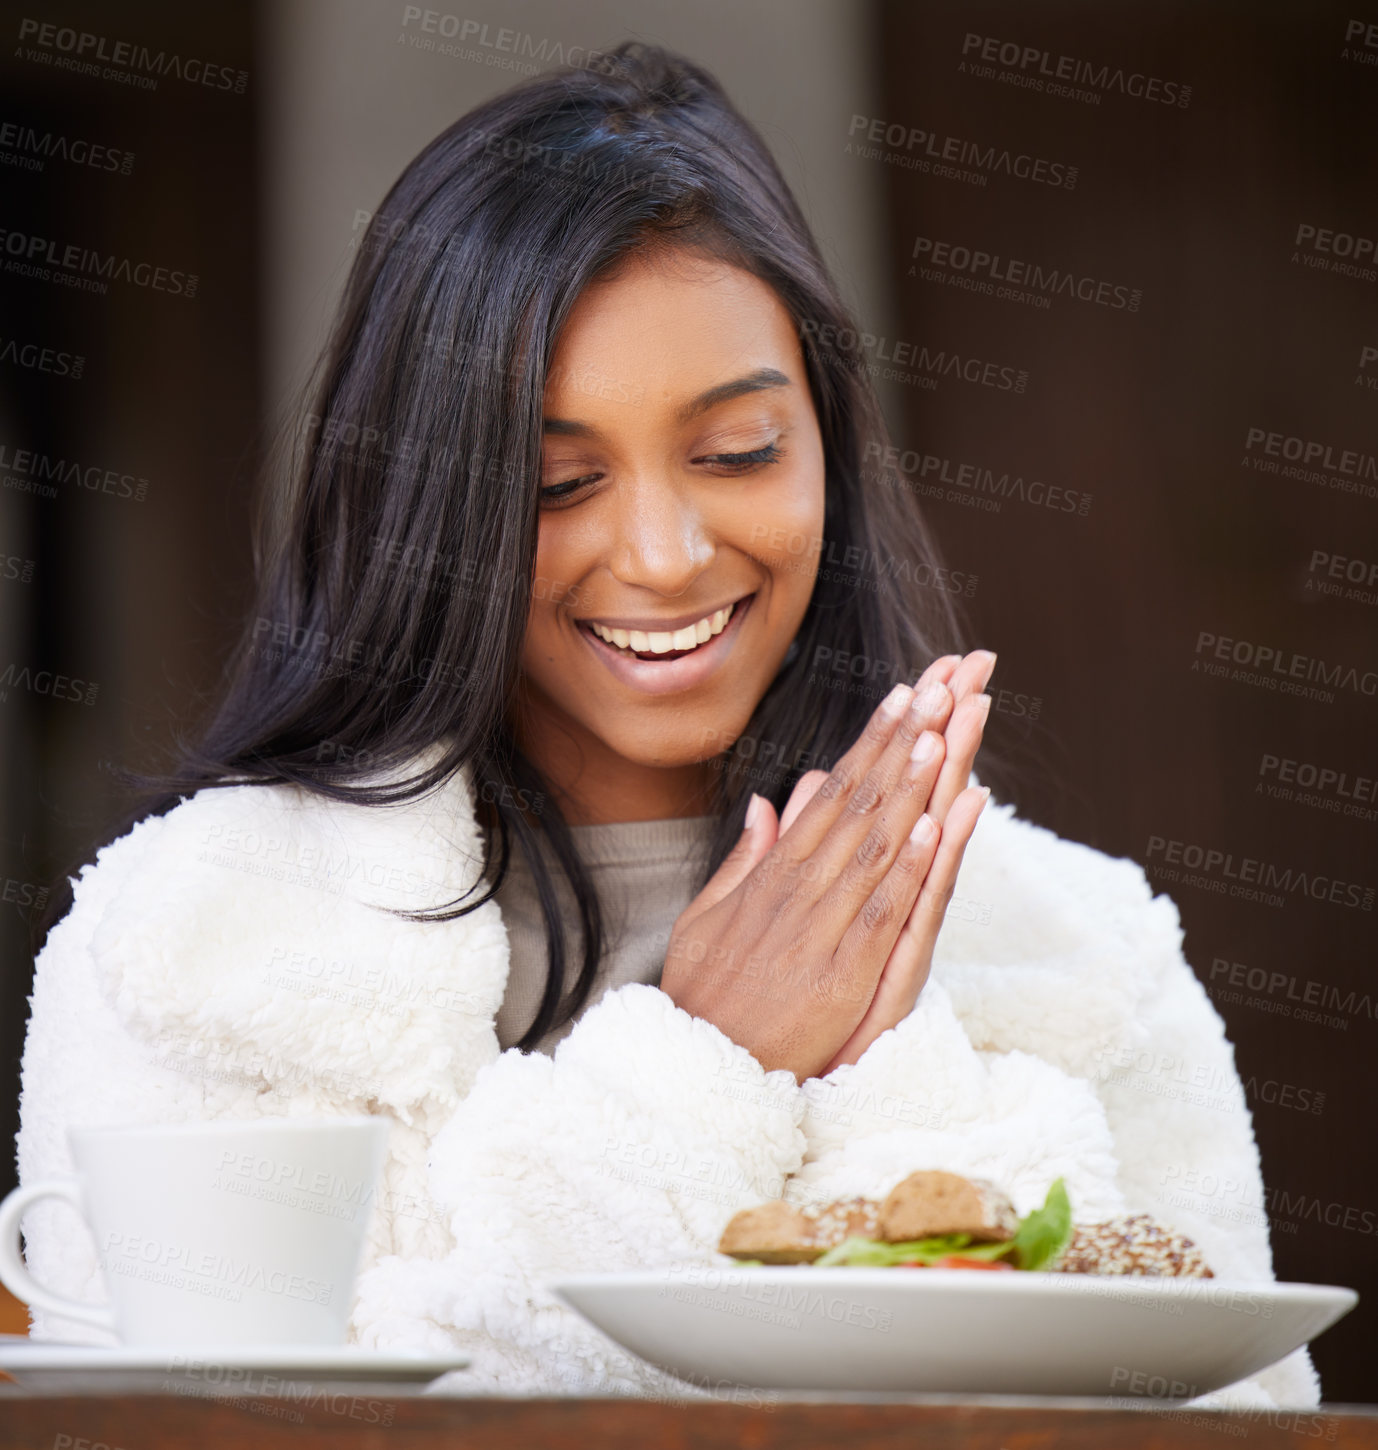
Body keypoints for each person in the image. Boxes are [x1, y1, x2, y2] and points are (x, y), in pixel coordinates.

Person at [14, 41, 1316, 1406]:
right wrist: (708, 1056)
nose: (663, 551)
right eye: (557, 478)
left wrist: (889, 1067)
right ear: (423, 502)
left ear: (824, 442)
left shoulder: (1078, 950)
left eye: (738, 451)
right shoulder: (200, 937)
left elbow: (1242, 1420)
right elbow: (205, 1432)